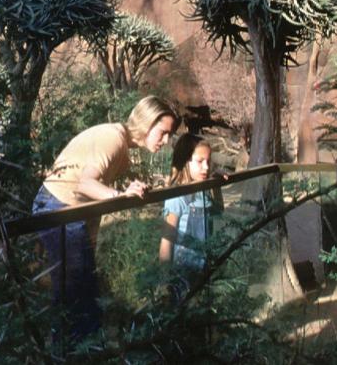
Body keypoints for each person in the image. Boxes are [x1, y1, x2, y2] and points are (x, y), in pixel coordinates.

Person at [33, 96, 179, 337]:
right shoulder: (113, 139)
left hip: (69, 212)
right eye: (162, 132)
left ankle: (67, 351)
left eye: (169, 135)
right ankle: (77, 352)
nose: (165, 141)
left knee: (76, 295)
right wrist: (121, 195)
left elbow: (90, 198)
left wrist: (91, 239)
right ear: (146, 122)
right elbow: (86, 185)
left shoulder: (122, 147)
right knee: (82, 300)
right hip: (57, 207)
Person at [159, 134, 225, 300]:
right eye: (200, 161)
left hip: (206, 264)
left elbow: (219, 211)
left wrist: (216, 187)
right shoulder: (177, 197)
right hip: (184, 269)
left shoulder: (204, 192)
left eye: (208, 161)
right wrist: (163, 278)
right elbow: (168, 238)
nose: (206, 167)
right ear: (185, 161)